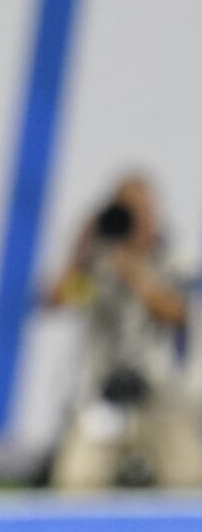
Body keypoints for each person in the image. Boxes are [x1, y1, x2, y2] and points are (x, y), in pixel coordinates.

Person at [43, 173, 201, 489]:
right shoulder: (98, 262)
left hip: (161, 397)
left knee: (187, 479)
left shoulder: (174, 259)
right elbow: (55, 301)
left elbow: (172, 312)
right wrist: (81, 246)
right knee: (76, 480)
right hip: (103, 396)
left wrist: (131, 263)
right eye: (126, 210)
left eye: (141, 210)